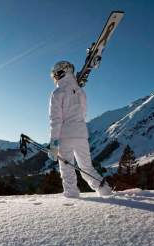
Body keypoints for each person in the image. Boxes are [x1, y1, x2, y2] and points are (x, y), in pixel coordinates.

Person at [48, 60, 112, 197]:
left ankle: (71, 194)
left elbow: (56, 120)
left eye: (55, 74)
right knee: (86, 167)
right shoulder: (80, 92)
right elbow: (83, 113)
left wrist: (53, 143)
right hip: (81, 134)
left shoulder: (57, 93)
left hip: (65, 135)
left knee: (66, 167)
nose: (54, 77)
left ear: (60, 73)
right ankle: (104, 190)